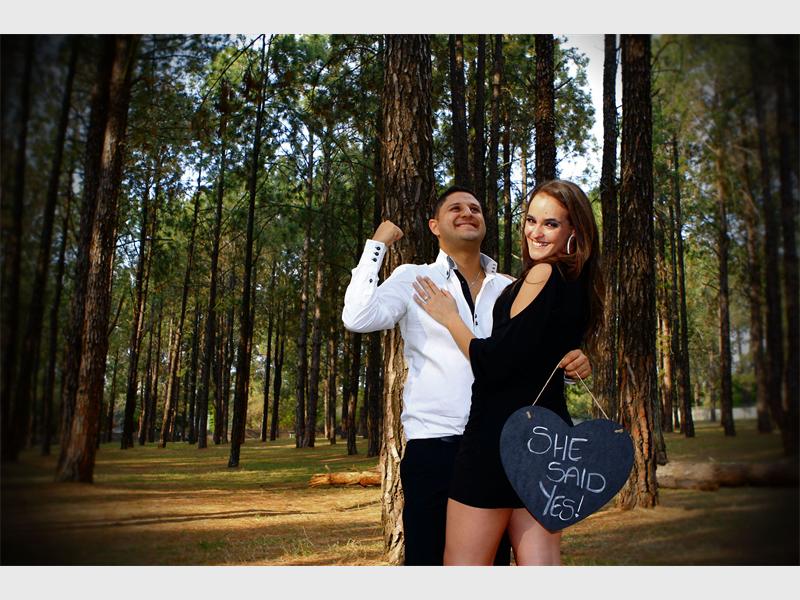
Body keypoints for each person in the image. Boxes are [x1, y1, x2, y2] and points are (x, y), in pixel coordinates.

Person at [342, 185, 591, 566]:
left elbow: (525, 364)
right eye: (455, 208)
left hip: (504, 447)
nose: (467, 213)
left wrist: (570, 367)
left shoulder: (510, 286)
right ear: (434, 226)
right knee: (428, 565)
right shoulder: (414, 279)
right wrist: (378, 244)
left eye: (475, 207)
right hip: (435, 446)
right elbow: (357, 317)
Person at [411, 179, 602, 566]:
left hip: (496, 443)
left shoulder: (542, 274)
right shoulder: (579, 283)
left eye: (551, 224)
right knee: (541, 566)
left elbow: (492, 365)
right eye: (531, 220)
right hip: (547, 444)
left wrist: (451, 319)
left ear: (574, 231)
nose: (536, 232)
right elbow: (537, 357)